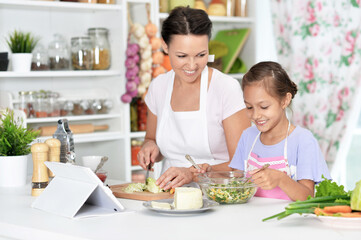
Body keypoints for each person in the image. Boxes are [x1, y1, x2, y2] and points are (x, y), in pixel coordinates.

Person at [137, 6, 250, 190]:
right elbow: (151, 140)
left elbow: (241, 165)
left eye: (201, 55)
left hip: (219, 197)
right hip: (169, 198)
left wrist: (193, 173)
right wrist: (149, 148)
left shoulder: (225, 88)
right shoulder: (159, 87)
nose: (192, 65)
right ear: (165, 46)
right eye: (182, 56)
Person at [229, 61, 331, 201]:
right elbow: (235, 182)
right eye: (249, 107)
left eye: (264, 107)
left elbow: (307, 197)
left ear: (285, 100)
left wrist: (281, 179)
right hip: (250, 219)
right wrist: (208, 173)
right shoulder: (248, 136)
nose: (256, 115)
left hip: (289, 221)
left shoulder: (303, 140)